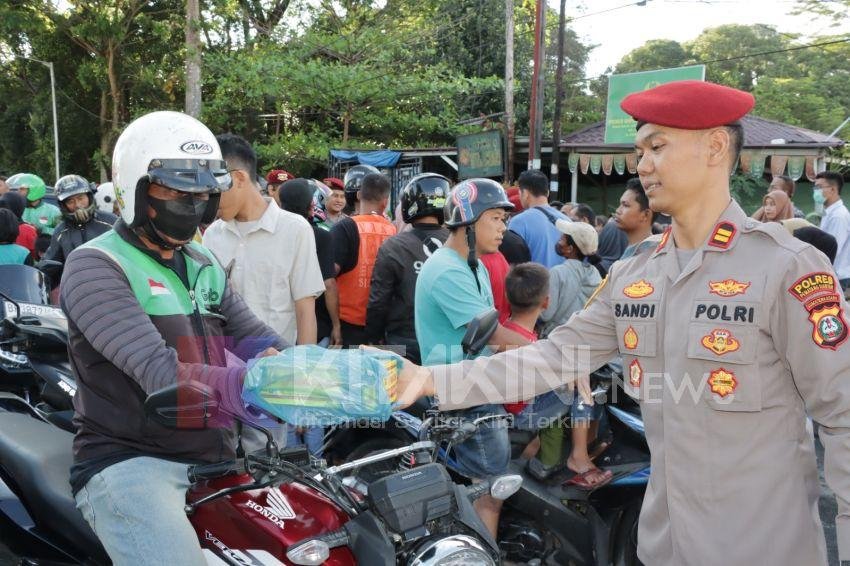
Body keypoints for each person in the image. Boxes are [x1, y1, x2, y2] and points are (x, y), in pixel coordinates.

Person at [394, 80, 850, 566]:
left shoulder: (786, 267)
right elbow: (554, 357)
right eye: (639, 150)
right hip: (660, 539)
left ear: (716, 146)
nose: (643, 164)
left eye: (658, 147)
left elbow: (841, 414)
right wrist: (430, 378)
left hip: (760, 543)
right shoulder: (636, 272)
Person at [61, 111, 289, 566]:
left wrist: (333, 375)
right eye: (175, 190)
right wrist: (257, 384)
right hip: (132, 462)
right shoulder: (95, 265)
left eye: (201, 192)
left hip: (220, 456)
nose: (191, 202)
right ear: (137, 189)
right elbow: (161, 371)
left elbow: (257, 340)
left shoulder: (202, 260)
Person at [415, 178, 531, 538]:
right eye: (495, 218)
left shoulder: (475, 264)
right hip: (466, 397)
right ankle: (482, 553)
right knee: (490, 490)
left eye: (504, 220)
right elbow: (494, 335)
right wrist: (548, 355)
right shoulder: (449, 270)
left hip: (478, 383)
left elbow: (489, 326)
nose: (502, 227)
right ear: (468, 222)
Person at [204, 134, 324, 346]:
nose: (208, 200)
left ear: (239, 178)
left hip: (278, 368)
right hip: (227, 370)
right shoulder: (213, 235)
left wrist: (306, 371)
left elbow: (305, 311)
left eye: (214, 191)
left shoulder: (294, 230)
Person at [365, 173, 449, 362]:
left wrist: (372, 338)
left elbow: (378, 301)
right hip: (447, 343)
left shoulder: (393, 246)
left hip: (402, 342)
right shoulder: (459, 244)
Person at [332, 170, 396, 347]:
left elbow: (328, 278)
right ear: (385, 202)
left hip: (348, 325)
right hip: (385, 327)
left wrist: (334, 325)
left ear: (359, 195)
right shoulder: (394, 230)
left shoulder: (344, 228)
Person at [44, 174, 117, 264]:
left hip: (109, 276)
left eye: (80, 198)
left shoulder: (110, 221)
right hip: (75, 277)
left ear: (89, 197)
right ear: (63, 205)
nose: (77, 205)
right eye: (70, 201)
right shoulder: (61, 231)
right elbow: (50, 262)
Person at [508, 169, 570, 268]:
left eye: (520, 193)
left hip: (534, 282)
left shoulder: (518, 222)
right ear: (548, 193)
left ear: (526, 193)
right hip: (564, 282)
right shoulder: (567, 220)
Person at [815, 171, 850, 290]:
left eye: (819, 187)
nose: (815, 191)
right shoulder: (829, 213)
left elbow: (832, 249)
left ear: (833, 190)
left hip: (835, 277)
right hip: (830, 274)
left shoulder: (838, 216)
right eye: (815, 187)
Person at [616, 178, 659, 259]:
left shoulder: (651, 256)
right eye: (620, 204)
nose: (618, 210)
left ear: (645, 214)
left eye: (625, 205)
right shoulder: (635, 250)